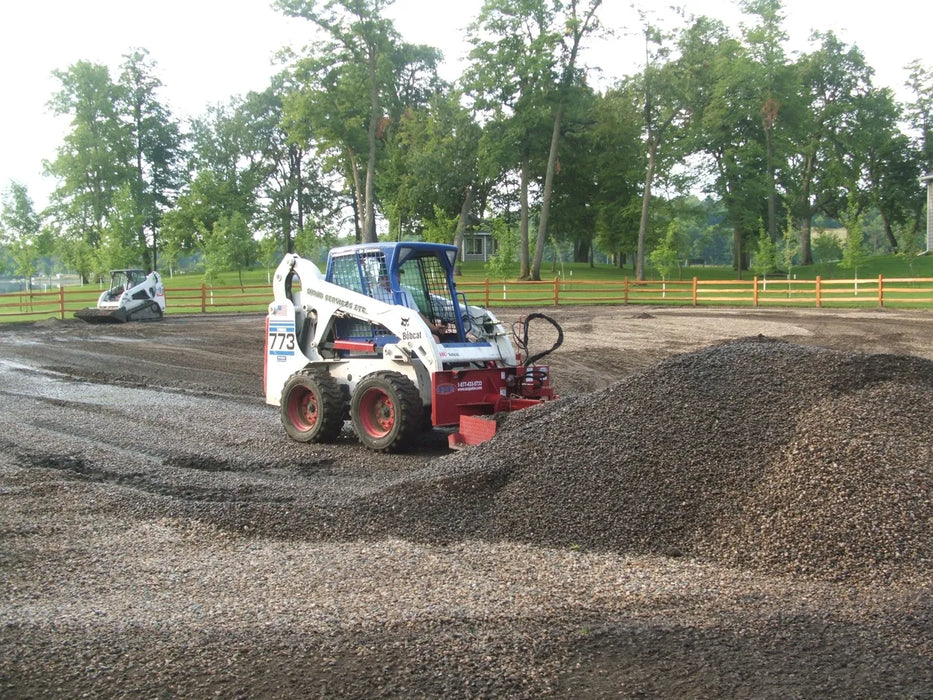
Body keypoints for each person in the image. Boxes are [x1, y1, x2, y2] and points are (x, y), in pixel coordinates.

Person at [374, 274, 445, 340]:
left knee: (434, 338)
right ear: (384, 278)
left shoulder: (405, 290)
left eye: (398, 275)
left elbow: (417, 313)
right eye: (395, 275)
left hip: (408, 328)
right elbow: (377, 318)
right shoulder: (376, 293)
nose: (398, 278)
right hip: (391, 331)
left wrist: (434, 328)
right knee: (434, 339)